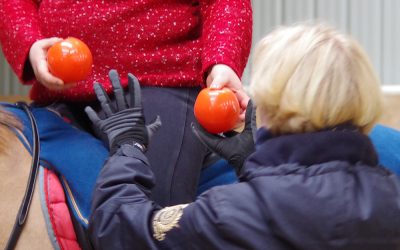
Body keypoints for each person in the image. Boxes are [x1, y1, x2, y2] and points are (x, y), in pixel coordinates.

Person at [87, 23, 400, 249]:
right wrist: (252, 162)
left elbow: (120, 231)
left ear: (273, 103)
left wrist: (128, 147)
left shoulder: (229, 212)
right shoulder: (392, 196)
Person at [0, 0, 252, 215]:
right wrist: (30, 43)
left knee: (149, 215)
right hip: (59, 90)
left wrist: (222, 61)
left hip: (162, 83)